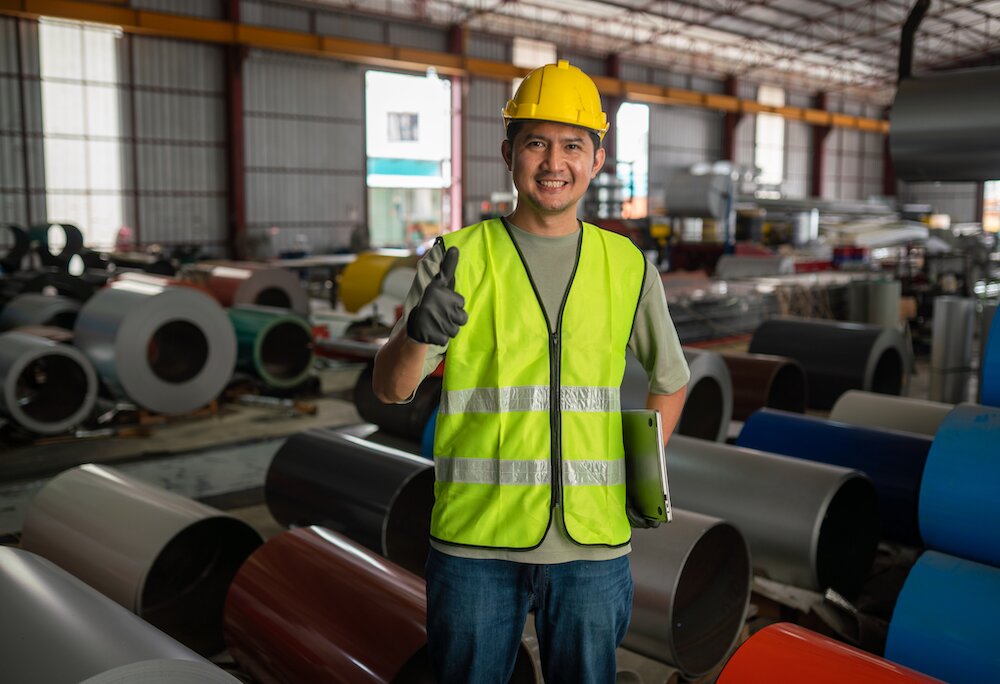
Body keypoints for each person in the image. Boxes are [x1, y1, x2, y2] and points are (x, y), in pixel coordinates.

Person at [373, 60, 689, 684]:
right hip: (475, 541)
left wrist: (641, 478)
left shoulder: (625, 265)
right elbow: (391, 387)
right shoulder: (460, 257)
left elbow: (671, 378)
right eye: (536, 143)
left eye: (573, 145)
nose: (554, 162)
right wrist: (416, 333)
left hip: (592, 543)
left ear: (596, 159)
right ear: (508, 153)